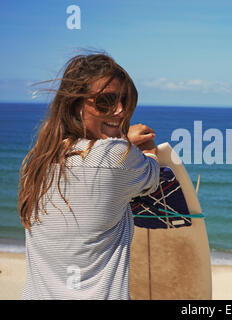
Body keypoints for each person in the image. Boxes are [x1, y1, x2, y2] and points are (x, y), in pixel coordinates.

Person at [17, 53, 160, 299]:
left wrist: (122, 141)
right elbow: (152, 173)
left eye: (126, 101)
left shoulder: (36, 163)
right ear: (76, 105)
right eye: (106, 101)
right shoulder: (117, 157)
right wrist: (142, 149)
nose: (120, 110)